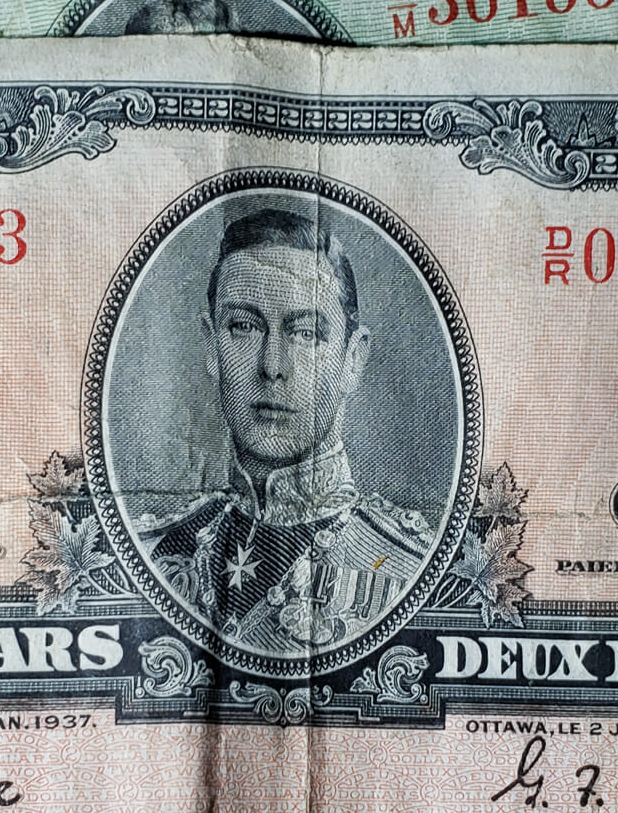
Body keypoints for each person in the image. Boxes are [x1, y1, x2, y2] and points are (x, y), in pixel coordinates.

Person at [136, 209, 432, 655]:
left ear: (352, 360)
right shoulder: (154, 551)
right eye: (244, 327)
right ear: (212, 346)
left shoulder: (413, 566)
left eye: (306, 334)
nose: (272, 366)